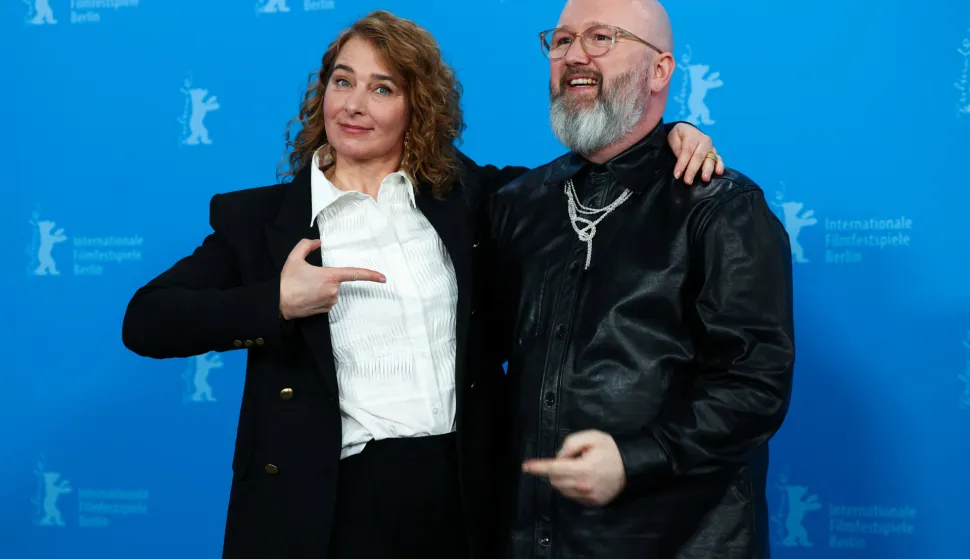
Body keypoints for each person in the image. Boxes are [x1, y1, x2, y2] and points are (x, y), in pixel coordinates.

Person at [120, 10, 726, 559]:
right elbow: (146, 320)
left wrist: (672, 135)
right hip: (325, 503)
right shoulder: (260, 221)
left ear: (418, 107)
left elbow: (593, 170)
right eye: (343, 80)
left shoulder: (471, 201)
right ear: (321, 92)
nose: (355, 104)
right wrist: (276, 302)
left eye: (382, 88)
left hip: (459, 495)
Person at [486, 0, 796, 558]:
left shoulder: (722, 208)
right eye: (561, 41)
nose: (575, 55)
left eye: (601, 38)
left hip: (679, 540)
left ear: (660, 71)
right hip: (534, 540)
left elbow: (755, 386)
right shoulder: (519, 204)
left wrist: (636, 458)